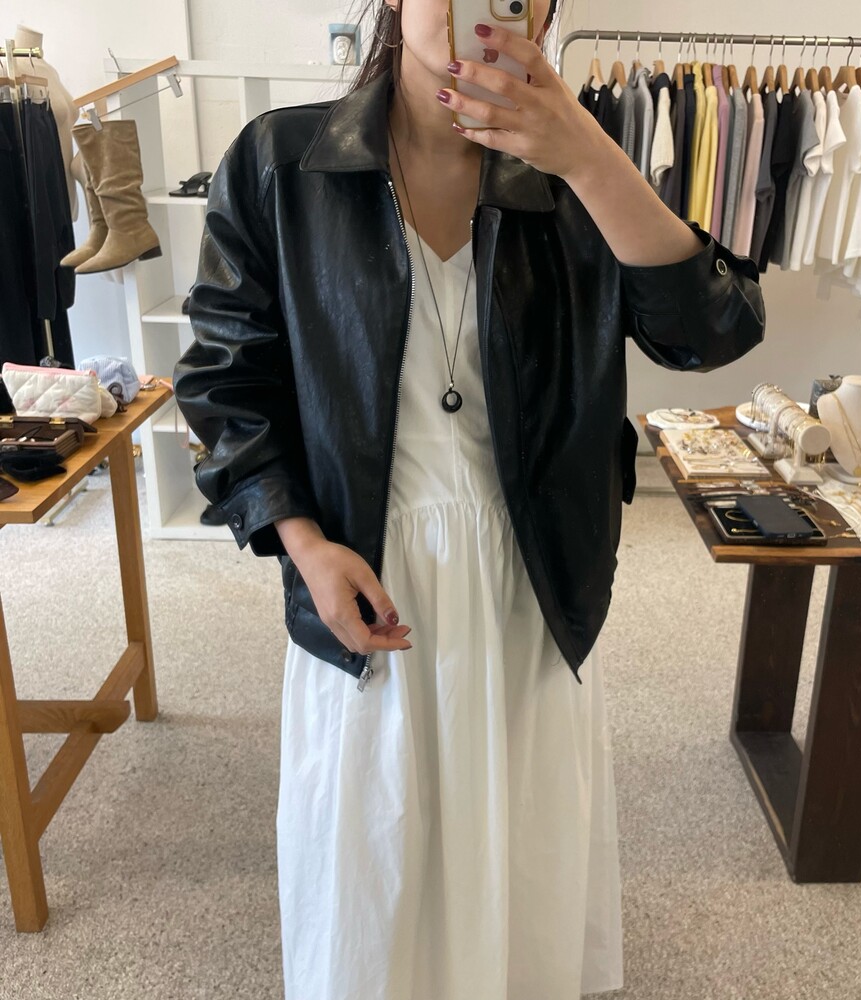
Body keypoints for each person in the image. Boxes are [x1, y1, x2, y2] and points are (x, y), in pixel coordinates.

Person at [173, 0, 764, 997]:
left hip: (532, 576)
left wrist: (589, 160)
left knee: (518, 868)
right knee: (372, 866)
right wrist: (303, 545)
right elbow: (225, 377)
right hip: (364, 570)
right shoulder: (281, 162)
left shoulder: (580, 171)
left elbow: (711, 333)